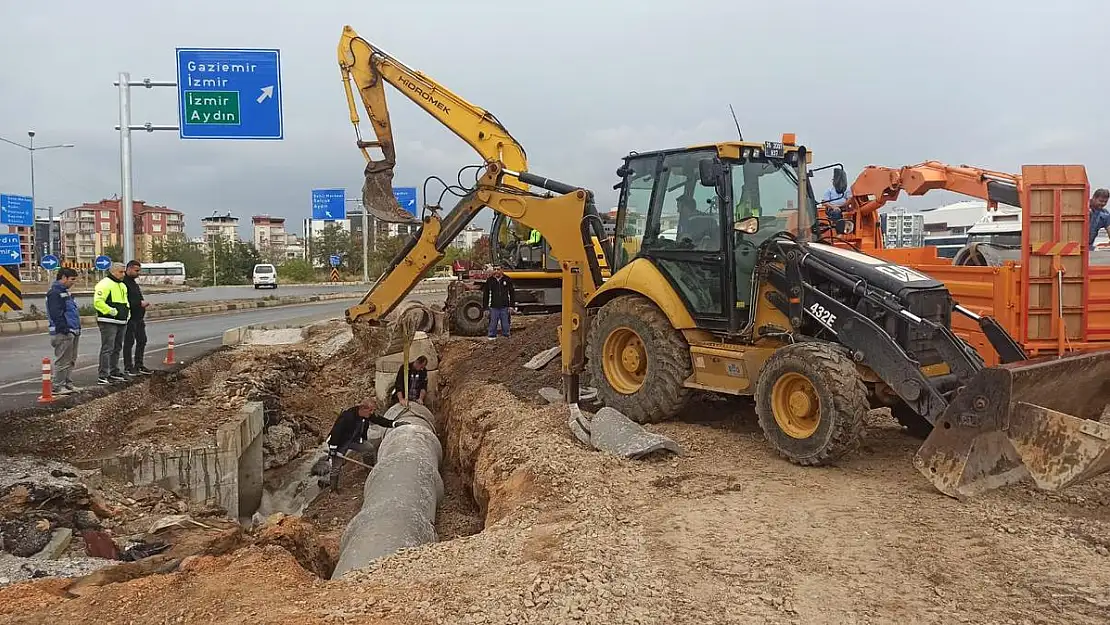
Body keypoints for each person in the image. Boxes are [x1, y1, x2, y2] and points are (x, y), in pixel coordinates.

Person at [323, 397, 406, 490]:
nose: (372, 413)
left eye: (373, 410)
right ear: (362, 408)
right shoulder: (347, 416)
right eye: (370, 410)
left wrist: (394, 424)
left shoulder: (367, 415)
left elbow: (380, 420)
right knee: (336, 466)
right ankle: (333, 489)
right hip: (341, 442)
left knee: (369, 448)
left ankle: (370, 471)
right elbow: (336, 432)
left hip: (355, 440)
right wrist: (333, 449)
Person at [45, 267, 82, 396]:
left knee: (71, 359)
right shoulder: (55, 293)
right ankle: (57, 387)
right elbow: (56, 314)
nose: (73, 282)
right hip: (63, 333)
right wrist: (65, 329)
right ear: (63, 278)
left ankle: (67, 383)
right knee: (63, 360)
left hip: (72, 330)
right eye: (72, 279)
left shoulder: (65, 292)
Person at [93, 262, 131, 385]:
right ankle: (103, 374)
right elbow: (98, 302)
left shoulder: (122, 285)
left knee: (117, 347)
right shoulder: (104, 284)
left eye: (124, 271)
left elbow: (125, 301)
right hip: (108, 321)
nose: (123, 274)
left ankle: (114, 371)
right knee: (107, 348)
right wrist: (111, 311)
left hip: (121, 320)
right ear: (113, 271)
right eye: (121, 272)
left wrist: (127, 312)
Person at [122, 260, 153, 376]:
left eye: (139, 271)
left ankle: (139, 364)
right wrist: (139, 304)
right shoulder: (124, 283)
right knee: (129, 342)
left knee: (142, 340)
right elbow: (126, 301)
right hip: (130, 317)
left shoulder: (134, 283)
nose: (138, 273)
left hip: (139, 318)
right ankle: (128, 367)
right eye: (136, 270)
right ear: (129, 269)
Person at [482, 265, 515, 340]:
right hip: (493, 308)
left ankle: (506, 341)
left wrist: (511, 306)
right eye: (495, 269)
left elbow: (512, 293)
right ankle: (491, 340)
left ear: (502, 270)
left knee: (506, 326)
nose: (496, 271)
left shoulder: (507, 279)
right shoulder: (490, 281)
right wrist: (485, 308)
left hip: (505, 307)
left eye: (498, 269)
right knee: (492, 326)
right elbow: (486, 295)